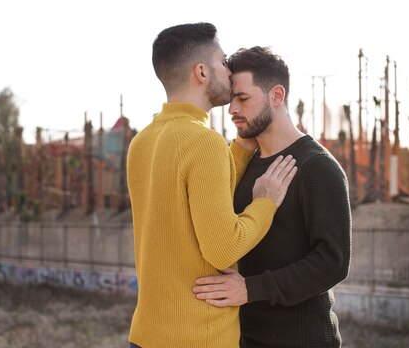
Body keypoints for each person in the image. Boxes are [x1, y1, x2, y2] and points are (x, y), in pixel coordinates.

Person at [127, 24, 297, 348]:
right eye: (222, 62)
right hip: (198, 338)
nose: (229, 71)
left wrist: (241, 148)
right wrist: (265, 203)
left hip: (145, 334)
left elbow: (192, 195)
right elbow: (223, 248)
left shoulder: (142, 142)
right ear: (202, 72)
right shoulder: (204, 143)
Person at [193, 46, 352, 348]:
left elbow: (334, 262)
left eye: (243, 98)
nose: (232, 110)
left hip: (303, 341)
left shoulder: (318, 167)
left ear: (276, 96)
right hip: (244, 338)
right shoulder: (245, 162)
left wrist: (251, 289)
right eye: (231, 100)